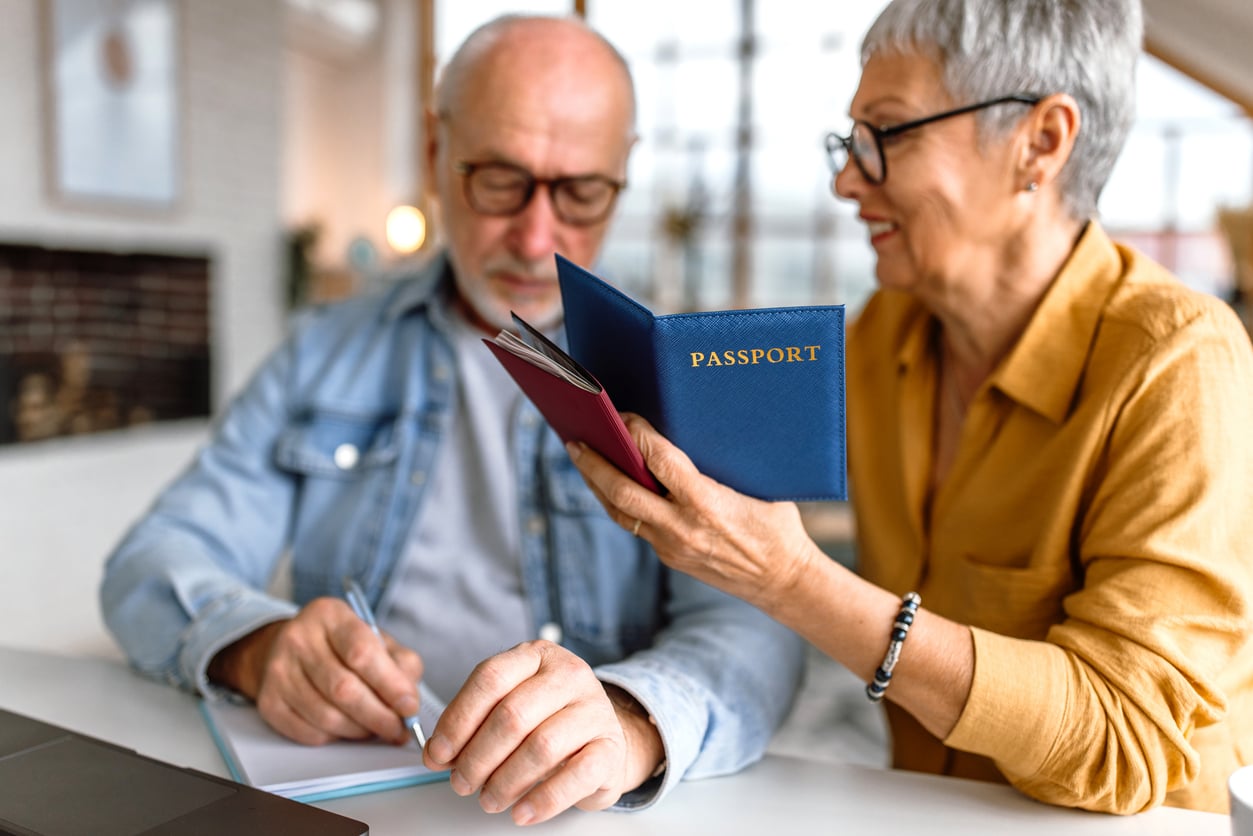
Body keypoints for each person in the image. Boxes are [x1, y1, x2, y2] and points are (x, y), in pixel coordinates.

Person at [100, 14, 802, 827]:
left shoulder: (683, 378)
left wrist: (633, 719)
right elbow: (151, 561)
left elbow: (758, 630)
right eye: (499, 180)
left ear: (623, 172)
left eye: (580, 192)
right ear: (435, 151)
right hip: (345, 796)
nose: (537, 237)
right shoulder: (322, 350)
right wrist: (256, 648)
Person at [569, 0, 1253, 816]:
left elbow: (1124, 736)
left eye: (886, 136)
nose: (845, 179)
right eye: (851, 139)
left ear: (1041, 142)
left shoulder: (1178, 359)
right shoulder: (885, 335)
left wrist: (791, 579)